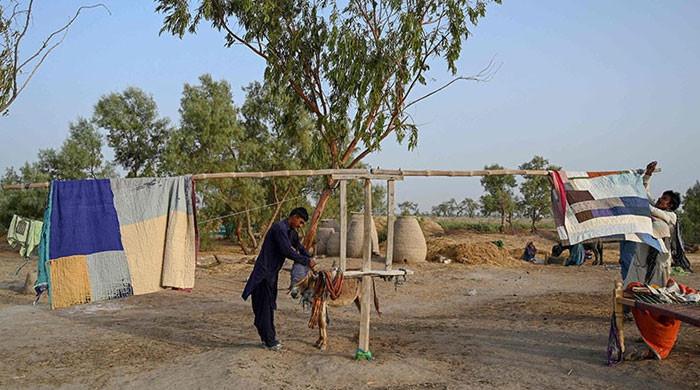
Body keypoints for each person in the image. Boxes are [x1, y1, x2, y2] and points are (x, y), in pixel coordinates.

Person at [241, 207, 317, 350]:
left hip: (272, 274)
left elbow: (299, 247)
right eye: (300, 222)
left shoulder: (291, 233)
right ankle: (269, 340)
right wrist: (307, 262)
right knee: (263, 307)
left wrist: (309, 257)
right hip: (263, 274)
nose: (300, 226)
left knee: (267, 306)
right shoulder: (279, 229)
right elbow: (287, 251)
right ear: (294, 217)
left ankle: (267, 338)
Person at [623, 161, 682, 288]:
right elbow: (645, 193)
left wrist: (642, 204)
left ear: (670, 205)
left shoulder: (671, 216)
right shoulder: (653, 209)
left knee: (658, 284)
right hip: (643, 254)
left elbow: (652, 209)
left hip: (661, 257)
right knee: (636, 279)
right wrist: (648, 174)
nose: (660, 199)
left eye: (664, 199)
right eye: (661, 197)